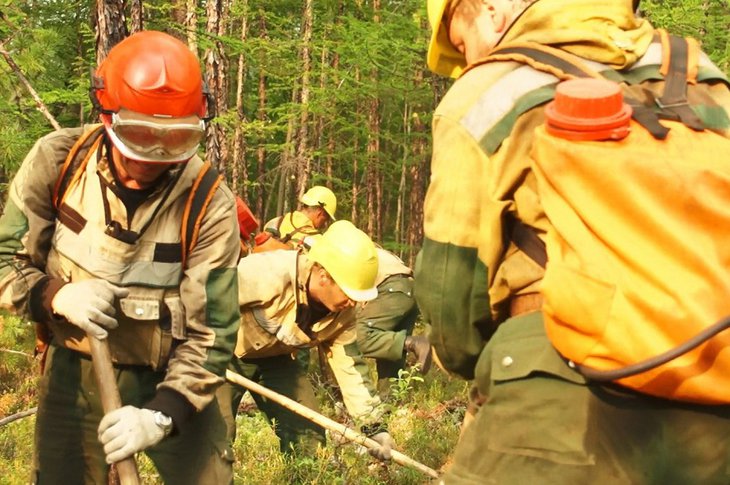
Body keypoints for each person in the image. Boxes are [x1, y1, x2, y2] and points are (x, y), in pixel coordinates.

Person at [416, 0, 730, 483]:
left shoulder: (488, 89)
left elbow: (453, 303)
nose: (467, 59)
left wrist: (489, 364)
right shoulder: (702, 75)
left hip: (557, 401)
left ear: (491, 11)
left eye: (462, 41)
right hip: (712, 392)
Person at [0, 31, 240, 483]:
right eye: (139, 134)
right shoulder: (58, 163)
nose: (153, 155)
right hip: (77, 368)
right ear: (107, 114)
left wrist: (161, 417)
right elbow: (3, 260)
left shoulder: (209, 203)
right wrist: (55, 295)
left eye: (173, 140)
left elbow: (214, 331)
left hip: (176, 377)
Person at [218, 220, 394, 461]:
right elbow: (206, 299)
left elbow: (351, 368)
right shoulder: (267, 273)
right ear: (324, 276)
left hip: (276, 359)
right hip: (222, 354)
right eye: (349, 293)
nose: (353, 303)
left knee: (308, 437)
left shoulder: (343, 315)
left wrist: (374, 427)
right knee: (214, 437)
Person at [356, 247, 431, 398]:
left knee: (356, 337)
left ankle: (413, 343)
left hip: (391, 287)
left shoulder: (332, 252)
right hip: (408, 287)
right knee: (388, 351)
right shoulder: (365, 246)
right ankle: (389, 407)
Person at [254, 185, 337, 251]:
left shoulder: (276, 222)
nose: (324, 224)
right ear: (320, 212)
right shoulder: (318, 242)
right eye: (326, 218)